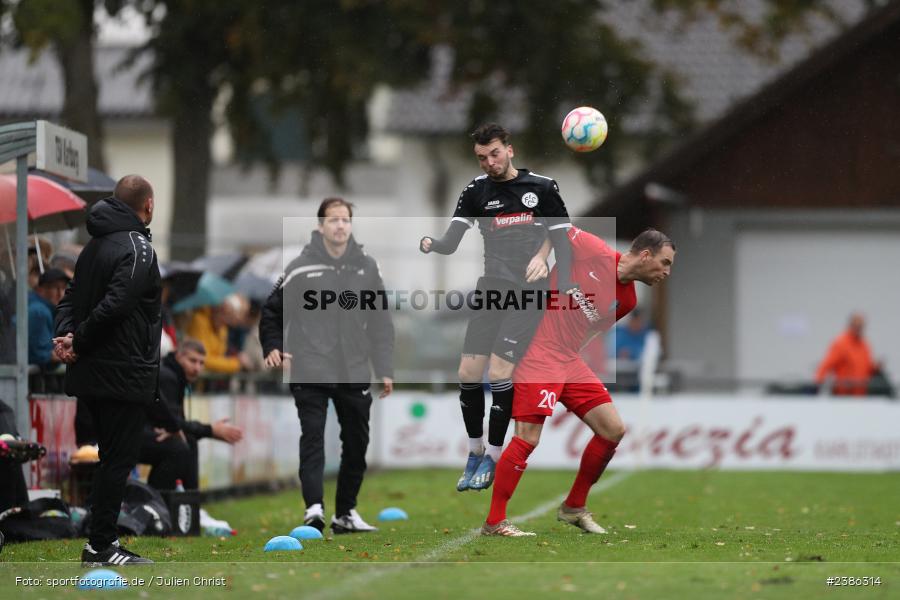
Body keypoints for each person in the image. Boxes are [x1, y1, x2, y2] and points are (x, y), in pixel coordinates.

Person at [482, 228, 675, 536]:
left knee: (612, 429)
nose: (666, 272)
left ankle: (573, 507)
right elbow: (552, 224)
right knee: (528, 437)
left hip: (568, 360)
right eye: (665, 263)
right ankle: (494, 522)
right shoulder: (592, 249)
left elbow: (590, 333)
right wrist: (541, 259)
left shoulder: (626, 299)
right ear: (646, 255)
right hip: (539, 352)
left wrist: (568, 361)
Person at [419, 123, 575, 492]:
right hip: (491, 289)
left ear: (510, 150)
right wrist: (433, 244)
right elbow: (452, 241)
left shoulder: (542, 187)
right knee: (468, 372)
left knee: (500, 369)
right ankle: (473, 452)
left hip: (528, 293)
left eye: (494, 153)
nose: (489, 162)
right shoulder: (476, 191)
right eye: (481, 157)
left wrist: (561, 282)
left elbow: (563, 241)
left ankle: (492, 454)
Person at [53, 174, 176, 565]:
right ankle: (101, 545)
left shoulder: (94, 246)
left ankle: (100, 540)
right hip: (122, 371)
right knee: (117, 461)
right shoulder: (139, 248)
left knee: (110, 459)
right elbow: (118, 303)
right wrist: (80, 339)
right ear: (149, 206)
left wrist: (65, 335)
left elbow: (70, 296)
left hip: (94, 371)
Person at [260, 197, 394, 534]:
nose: (340, 226)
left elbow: (380, 322)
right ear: (320, 226)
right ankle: (314, 509)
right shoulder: (300, 267)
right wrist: (273, 346)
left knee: (357, 443)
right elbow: (271, 311)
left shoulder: (366, 268)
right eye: (333, 220)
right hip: (310, 367)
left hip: (353, 369)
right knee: (314, 438)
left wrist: (385, 368)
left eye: (345, 220)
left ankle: (345, 513)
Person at [141, 339, 243, 491]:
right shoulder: (167, 376)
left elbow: (175, 424)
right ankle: (160, 506)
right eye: (192, 361)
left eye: (201, 363)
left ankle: (191, 505)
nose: (197, 368)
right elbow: (170, 422)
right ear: (178, 356)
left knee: (188, 441)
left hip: (144, 432)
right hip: (131, 435)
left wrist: (203, 430)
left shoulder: (176, 376)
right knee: (178, 448)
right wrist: (210, 430)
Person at [815, 313, 879, 396]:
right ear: (850, 325)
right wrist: (817, 384)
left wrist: (876, 368)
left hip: (861, 394)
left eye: (861, 326)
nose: (858, 329)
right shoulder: (841, 343)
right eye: (856, 326)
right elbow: (827, 364)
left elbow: (867, 367)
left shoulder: (865, 345)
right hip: (843, 394)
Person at [26, 268, 70, 367]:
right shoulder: (40, 312)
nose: (60, 293)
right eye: (55, 288)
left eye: (63, 288)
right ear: (40, 290)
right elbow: (40, 355)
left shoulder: (44, 309)